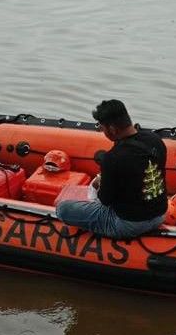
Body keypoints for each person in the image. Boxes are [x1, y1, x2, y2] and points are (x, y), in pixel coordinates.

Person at [56, 99, 167, 238]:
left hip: (129, 224)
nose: (102, 131)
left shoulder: (112, 158)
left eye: (102, 128)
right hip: (160, 214)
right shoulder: (155, 140)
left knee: (63, 209)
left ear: (112, 129)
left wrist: (99, 183)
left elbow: (105, 200)